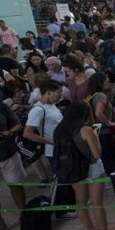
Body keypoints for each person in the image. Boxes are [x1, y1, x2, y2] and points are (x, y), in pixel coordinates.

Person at [53, 101, 115, 230]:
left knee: (80, 200)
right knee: (96, 201)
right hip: (92, 169)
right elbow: (96, 154)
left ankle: (90, 229)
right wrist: (95, 136)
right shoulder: (85, 130)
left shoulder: (59, 130)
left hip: (73, 169)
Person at [23, 80, 76, 218]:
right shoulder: (38, 110)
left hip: (63, 147)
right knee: (62, 180)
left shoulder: (51, 105)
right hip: (54, 151)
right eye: (59, 92)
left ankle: (72, 204)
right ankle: (63, 210)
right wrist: (50, 142)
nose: (60, 95)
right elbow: (27, 133)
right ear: (48, 92)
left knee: (67, 178)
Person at [0, 100, 27, 230]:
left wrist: (7, 133)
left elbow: (17, 125)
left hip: (8, 153)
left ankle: (23, 213)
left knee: (16, 185)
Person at [87, 72, 115, 179]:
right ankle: (111, 177)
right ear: (100, 83)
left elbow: (105, 107)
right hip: (104, 131)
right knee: (110, 154)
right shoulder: (100, 96)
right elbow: (99, 113)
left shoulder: (93, 95)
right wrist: (108, 123)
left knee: (106, 154)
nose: (108, 82)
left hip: (96, 130)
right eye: (106, 80)